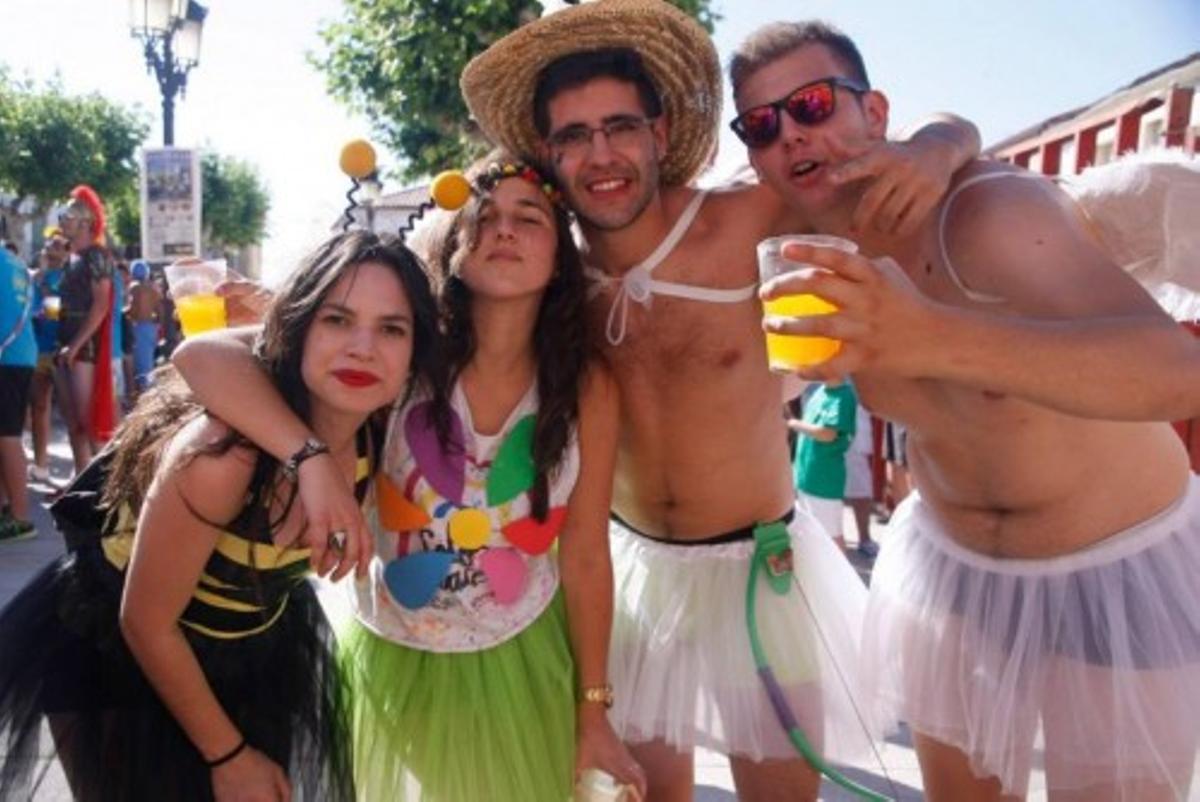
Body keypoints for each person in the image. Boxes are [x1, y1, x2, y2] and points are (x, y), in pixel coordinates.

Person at [458, 3, 980, 799]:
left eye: (620, 127)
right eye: (574, 136)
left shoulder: (749, 218)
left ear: (660, 134)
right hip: (633, 574)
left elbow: (904, 147)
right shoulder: (548, 272)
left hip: (761, 571)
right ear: (548, 154)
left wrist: (942, 145)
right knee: (641, 795)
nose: (601, 155)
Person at [737, 20, 1200, 801]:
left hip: (1117, 572)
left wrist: (928, 334)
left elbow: (1179, 374)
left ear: (873, 112)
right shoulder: (796, 248)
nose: (790, 133)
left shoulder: (988, 211)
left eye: (812, 104)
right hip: (957, 579)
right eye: (760, 124)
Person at [172, 153, 646, 801]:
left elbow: (587, 554)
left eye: (528, 218)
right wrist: (312, 459)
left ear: (561, 257)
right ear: (452, 247)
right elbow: (203, 356)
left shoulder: (586, 386)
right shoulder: (401, 355)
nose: (503, 229)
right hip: (392, 652)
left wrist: (594, 711)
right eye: (483, 215)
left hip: (524, 654)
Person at [0, 230, 441, 801]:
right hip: (123, 664)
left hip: (254, 653)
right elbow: (146, 624)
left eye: (391, 328)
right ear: (298, 329)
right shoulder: (222, 458)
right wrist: (228, 756)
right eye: (337, 319)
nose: (363, 347)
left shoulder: (376, 432)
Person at [56, 185, 116, 473]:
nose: (62, 221)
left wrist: (76, 346)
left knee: (90, 424)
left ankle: (106, 488)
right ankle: (80, 487)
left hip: (85, 347)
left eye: (67, 216)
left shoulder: (96, 255)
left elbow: (101, 305)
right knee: (74, 425)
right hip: (66, 342)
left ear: (84, 221)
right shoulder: (72, 257)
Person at [788, 379, 858, 551]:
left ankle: (841, 570)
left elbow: (828, 434)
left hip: (824, 481)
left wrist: (793, 424)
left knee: (831, 538)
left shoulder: (844, 396)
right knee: (811, 535)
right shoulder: (820, 391)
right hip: (806, 477)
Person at [0, 247, 37, 542]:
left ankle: (21, 519)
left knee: (7, 437)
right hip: (21, 355)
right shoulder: (15, 262)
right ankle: (6, 510)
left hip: (7, 357)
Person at [29, 229, 69, 484]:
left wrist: (43, 283)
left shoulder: (68, 277)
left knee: (70, 411)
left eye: (57, 244)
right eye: (49, 243)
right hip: (37, 348)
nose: (50, 247)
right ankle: (41, 464)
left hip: (60, 348)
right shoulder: (34, 278)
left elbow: (53, 312)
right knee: (39, 407)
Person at [128, 259, 162, 391]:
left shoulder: (134, 288)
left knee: (140, 363)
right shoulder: (154, 288)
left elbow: (133, 309)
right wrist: (158, 326)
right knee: (149, 362)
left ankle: (145, 392)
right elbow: (159, 311)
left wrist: (127, 315)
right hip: (151, 327)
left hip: (139, 327)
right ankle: (150, 390)